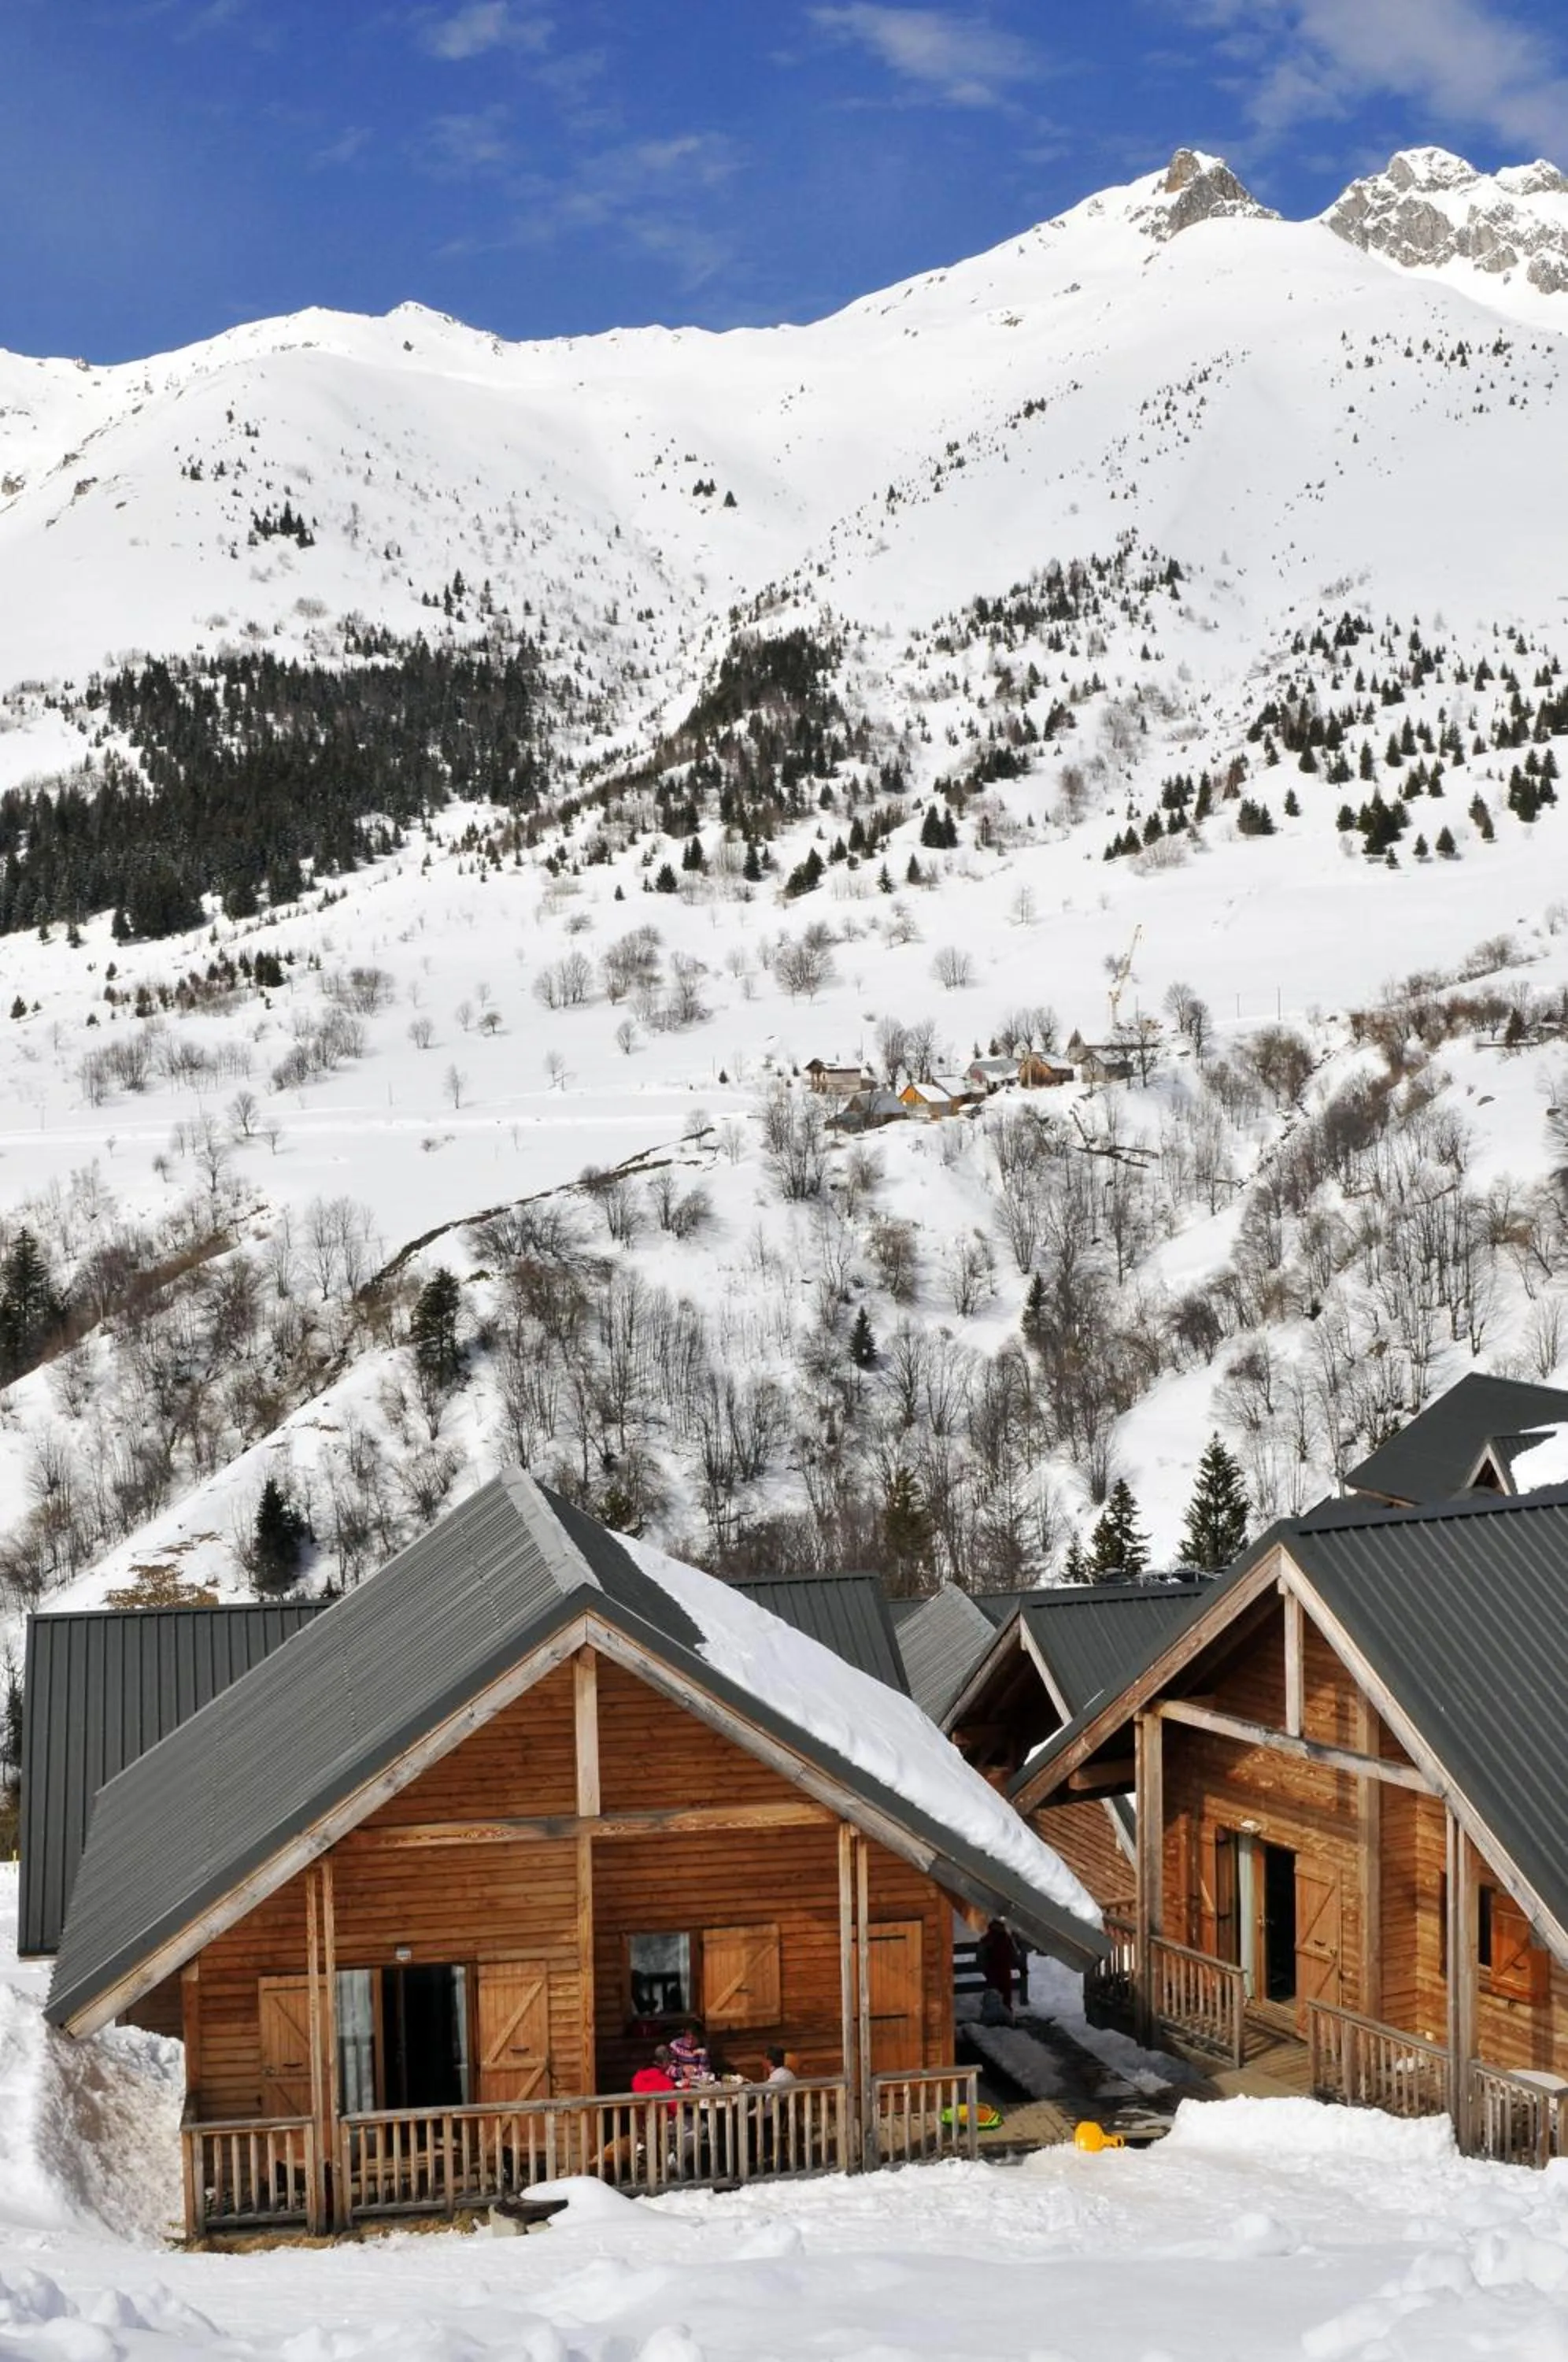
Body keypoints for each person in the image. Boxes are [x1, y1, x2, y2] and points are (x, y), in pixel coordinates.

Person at [978, 1919, 1019, 2022]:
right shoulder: (993, 1939)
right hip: (996, 1970)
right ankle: (1002, 2015)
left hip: (998, 1970)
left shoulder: (996, 1938)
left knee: (1000, 1993)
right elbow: (981, 1956)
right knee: (1000, 1993)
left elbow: (981, 1956)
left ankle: (1002, 2015)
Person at [668, 2023, 715, 2087]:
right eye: (687, 2038)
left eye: (693, 2039)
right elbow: (669, 2069)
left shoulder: (703, 2048)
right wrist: (682, 2070)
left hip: (697, 2083)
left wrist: (703, 2057)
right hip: (679, 2082)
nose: (690, 2041)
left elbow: (705, 2073)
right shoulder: (675, 2045)